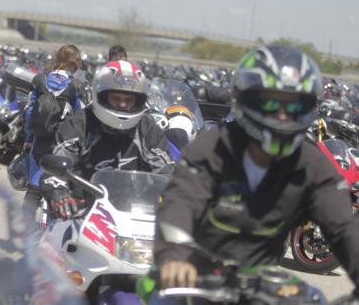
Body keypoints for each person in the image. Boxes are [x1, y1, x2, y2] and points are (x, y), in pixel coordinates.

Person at [153, 45, 359, 296]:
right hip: (193, 279)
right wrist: (175, 254)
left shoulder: (313, 165)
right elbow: (180, 202)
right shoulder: (211, 148)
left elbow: (343, 228)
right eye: (272, 103)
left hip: (262, 287)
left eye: (294, 107)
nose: (283, 116)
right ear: (246, 99)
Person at [44, 60, 172, 220]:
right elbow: (55, 165)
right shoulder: (79, 124)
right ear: (101, 96)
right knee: (55, 239)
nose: (123, 105)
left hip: (134, 212)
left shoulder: (147, 128)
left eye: (129, 100)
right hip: (81, 211)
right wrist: (59, 193)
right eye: (116, 98)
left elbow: (166, 171)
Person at [21, 44, 85, 217]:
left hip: (39, 140)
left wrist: (28, 138)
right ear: (76, 62)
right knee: (57, 187)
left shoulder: (40, 80)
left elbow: (28, 112)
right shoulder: (76, 87)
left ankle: (23, 229)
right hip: (62, 145)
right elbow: (81, 119)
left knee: (34, 188)